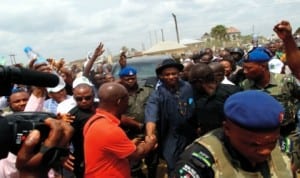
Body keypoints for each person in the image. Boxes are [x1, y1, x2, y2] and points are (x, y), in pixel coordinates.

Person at [172, 90, 293, 178]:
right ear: (227, 129)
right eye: (254, 145)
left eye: (271, 142)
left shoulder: (282, 147)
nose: (265, 151)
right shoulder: (200, 161)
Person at [240, 46, 300, 175]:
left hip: (288, 133)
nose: (245, 71)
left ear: (263, 66)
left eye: (249, 68)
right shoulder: (245, 85)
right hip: (262, 138)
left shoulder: (285, 81)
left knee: (290, 169)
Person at [83, 82, 156, 178]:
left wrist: (130, 144)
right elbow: (137, 154)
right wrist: (150, 143)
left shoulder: (93, 121)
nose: (128, 103)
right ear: (119, 101)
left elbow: (109, 149)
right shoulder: (110, 130)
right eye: (127, 99)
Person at [145, 59, 196, 174]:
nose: (171, 77)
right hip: (170, 136)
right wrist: (150, 135)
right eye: (167, 74)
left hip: (189, 133)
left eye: (174, 73)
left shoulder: (188, 87)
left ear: (179, 74)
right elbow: (151, 115)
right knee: (173, 165)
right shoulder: (157, 94)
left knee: (191, 163)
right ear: (161, 77)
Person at [118, 66, 155, 178]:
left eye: (132, 78)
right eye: (127, 79)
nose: (130, 80)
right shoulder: (119, 95)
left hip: (149, 132)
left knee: (152, 162)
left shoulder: (148, 91)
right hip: (130, 135)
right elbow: (115, 115)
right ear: (121, 79)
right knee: (133, 165)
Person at [190, 63, 240, 136]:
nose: (191, 86)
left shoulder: (232, 92)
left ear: (200, 82)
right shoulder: (195, 96)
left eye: (192, 82)